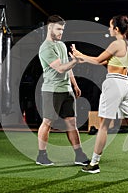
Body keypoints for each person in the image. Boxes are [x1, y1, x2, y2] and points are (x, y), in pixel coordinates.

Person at [70, 15, 128, 174]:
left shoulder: (117, 43)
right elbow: (104, 62)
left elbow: (96, 60)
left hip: (114, 84)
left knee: (103, 126)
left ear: (116, 29)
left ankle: (94, 164)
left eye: (110, 26)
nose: (109, 29)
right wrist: (81, 58)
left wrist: (79, 54)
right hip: (127, 85)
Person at [36, 15, 89, 166]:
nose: (61, 32)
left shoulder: (61, 45)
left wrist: (75, 84)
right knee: (47, 122)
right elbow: (60, 68)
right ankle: (41, 155)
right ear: (50, 28)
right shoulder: (45, 48)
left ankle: (79, 155)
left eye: (62, 30)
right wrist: (75, 61)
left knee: (71, 123)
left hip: (66, 90)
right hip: (52, 90)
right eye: (58, 29)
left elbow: (68, 68)